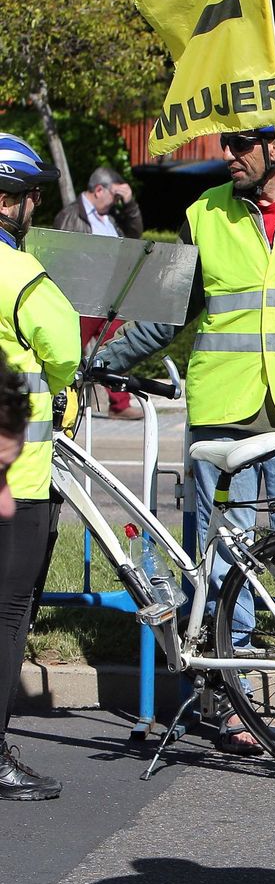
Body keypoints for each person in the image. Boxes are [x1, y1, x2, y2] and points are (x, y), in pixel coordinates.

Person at [97, 91, 275, 755]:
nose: (229, 154)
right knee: (222, 565)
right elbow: (164, 313)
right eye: (227, 142)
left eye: (243, 142)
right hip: (226, 418)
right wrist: (97, 361)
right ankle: (232, 695)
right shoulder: (203, 214)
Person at [0, 134, 86, 800]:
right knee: (9, 613)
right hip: (16, 476)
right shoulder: (22, 275)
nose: (33, 208)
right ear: (8, 201)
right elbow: (63, 349)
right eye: (30, 196)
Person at [54, 165, 143, 416]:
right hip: (83, 295)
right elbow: (63, 254)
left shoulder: (111, 218)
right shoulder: (71, 215)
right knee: (70, 348)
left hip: (110, 295)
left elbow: (135, 234)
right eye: (114, 196)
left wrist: (129, 204)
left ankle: (120, 404)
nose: (115, 202)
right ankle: (63, 398)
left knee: (120, 343)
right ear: (99, 189)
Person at [53, 166, 143, 239]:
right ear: (99, 191)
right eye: (116, 196)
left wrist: (130, 205)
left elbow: (134, 236)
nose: (116, 202)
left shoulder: (113, 216)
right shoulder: (69, 216)